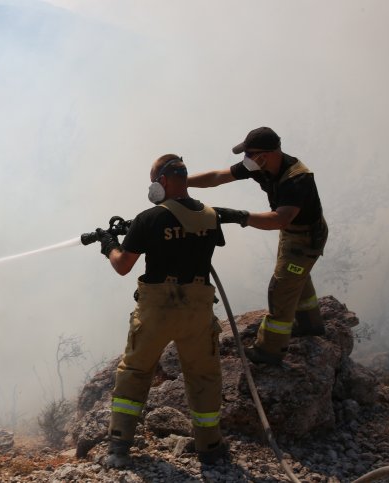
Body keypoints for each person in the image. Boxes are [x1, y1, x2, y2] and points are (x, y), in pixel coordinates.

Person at [94, 154, 228, 468]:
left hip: (157, 311)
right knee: (203, 377)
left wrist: (109, 243)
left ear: (163, 181)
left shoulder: (148, 219)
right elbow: (189, 235)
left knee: (136, 373)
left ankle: (119, 446)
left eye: (154, 181)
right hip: (197, 312)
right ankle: (210, 446)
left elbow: (123, 265)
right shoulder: (210, 216)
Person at [188, 127, 328, 365]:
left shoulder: (297, 179)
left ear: (268, 154)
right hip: (292, 234)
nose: (247, 160)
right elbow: (218, 177)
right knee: (296, 275)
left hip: (305, 239)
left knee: (281, 289)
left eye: (251, 154)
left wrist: (240, 216)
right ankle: (310, 324)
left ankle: (270, 351)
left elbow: (279, 219)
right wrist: (182, 183)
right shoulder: (261, 166)